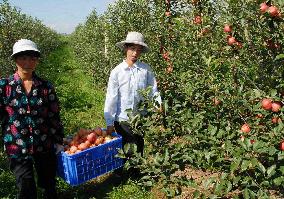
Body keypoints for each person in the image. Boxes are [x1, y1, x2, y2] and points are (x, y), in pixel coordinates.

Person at [0, 39, 64, 199]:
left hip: (44, 143)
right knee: (26, 186)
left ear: (37, 61)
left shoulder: (45, 86)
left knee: (48, 182)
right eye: (23, 58)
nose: (28, 63)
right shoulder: (5, 86)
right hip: (16, 144)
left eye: (32, 58)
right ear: (15, 60)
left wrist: (58, 141)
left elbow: (53, 115)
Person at [104, 32, 161, 176]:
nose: (135, 53)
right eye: (132, 49)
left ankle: (136, 173)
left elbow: (153, 90)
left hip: (140, 116)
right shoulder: (117, 72)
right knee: (124, 146)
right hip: (122, 118)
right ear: (126, 49)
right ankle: (118, 173)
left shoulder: (145, 69)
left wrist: (158, 105)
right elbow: (112, 97)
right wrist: (109, 121)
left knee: (139, 144)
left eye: (138, 49)